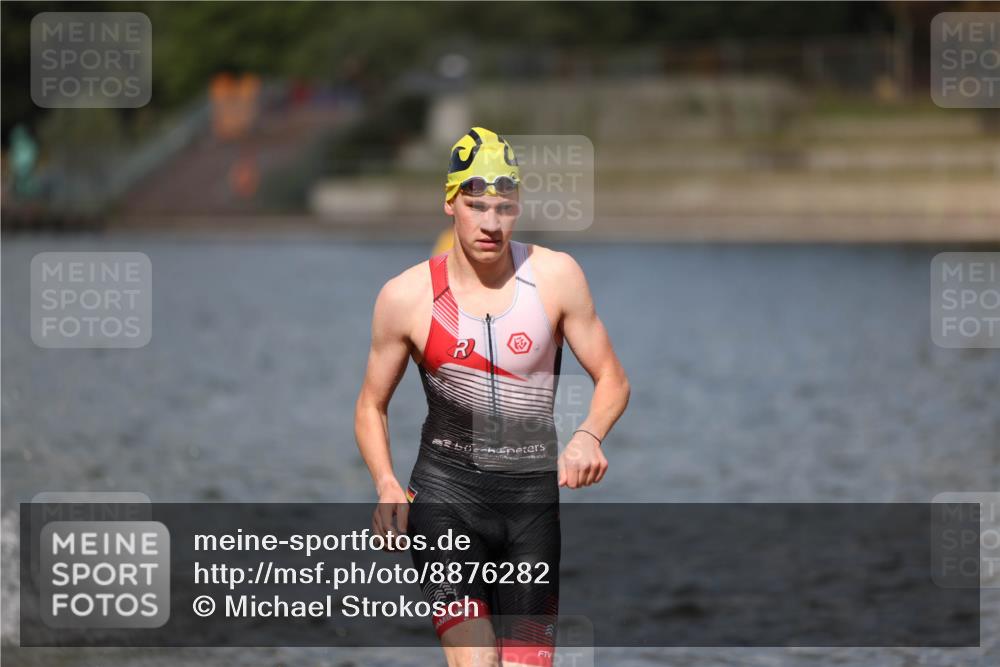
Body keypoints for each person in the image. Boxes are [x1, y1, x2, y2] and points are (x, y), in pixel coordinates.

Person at [355, 127, 630, 667]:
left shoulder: (556, 277)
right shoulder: (406, 296)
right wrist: (386, 481)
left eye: (504, 207)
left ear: (518, 206)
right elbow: (370, 405)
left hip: (531, 506)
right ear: (450, 203)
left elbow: (613, 380)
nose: (490, 222)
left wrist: (588, 436)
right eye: (476, 205)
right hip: (444, 498)